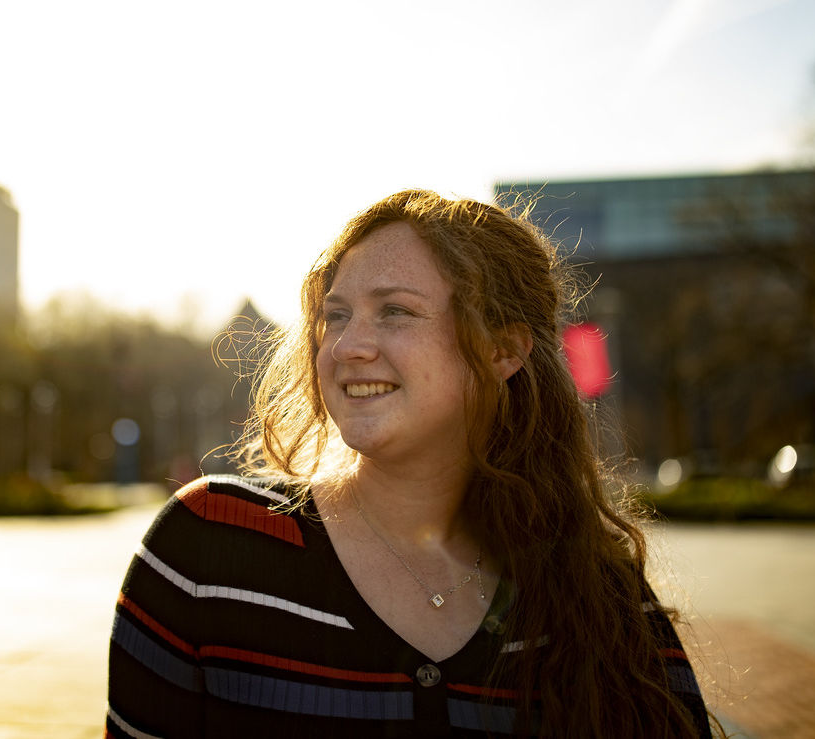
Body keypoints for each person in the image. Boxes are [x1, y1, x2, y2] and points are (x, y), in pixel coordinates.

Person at [106, 189, 715, 737]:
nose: (346, 347)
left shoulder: (601, 594)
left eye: (394, 311)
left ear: (503, 350)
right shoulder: (208, 547)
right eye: (336, 315)